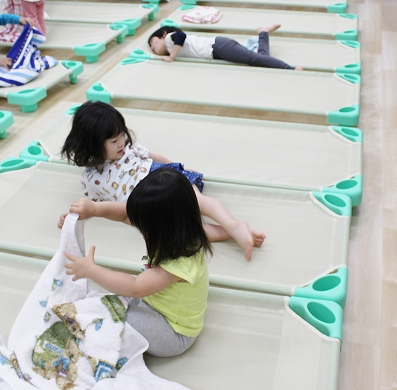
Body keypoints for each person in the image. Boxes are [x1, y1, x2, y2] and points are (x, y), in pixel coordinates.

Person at [57, 101, 265, 260]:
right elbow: (93, 205)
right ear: (92, 145)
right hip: (147, 204)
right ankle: (230, 233)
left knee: (199, 201)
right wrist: (74, 215)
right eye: (114, 140)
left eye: (122, 135)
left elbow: (154, 157)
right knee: (182, 233)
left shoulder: (129, 148)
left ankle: (234, 225)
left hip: (160, 176)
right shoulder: (90, 179)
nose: (121, 143)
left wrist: (180, 167)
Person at [64, 168, 210, 357]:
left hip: (173, 333)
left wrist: (91, 270)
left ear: (168, 227)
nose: (141, 233)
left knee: (111, 316)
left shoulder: (181, 263)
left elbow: (135, 287)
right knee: (109, 303)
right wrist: (94, 209)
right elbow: (125, 214)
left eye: (145, 229)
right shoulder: (178, 232)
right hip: (152, 305)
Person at [148, 25, 303, 70]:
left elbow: (181, 36)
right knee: (259, 58)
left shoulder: (170, 39)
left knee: (255, 59)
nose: (153, 48)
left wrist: (171, 57)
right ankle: (263, 32)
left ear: (163, 35)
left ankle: (290, 69)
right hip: (218, 49)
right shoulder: (171, 46)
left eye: (154, 43)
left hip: (218, 47)